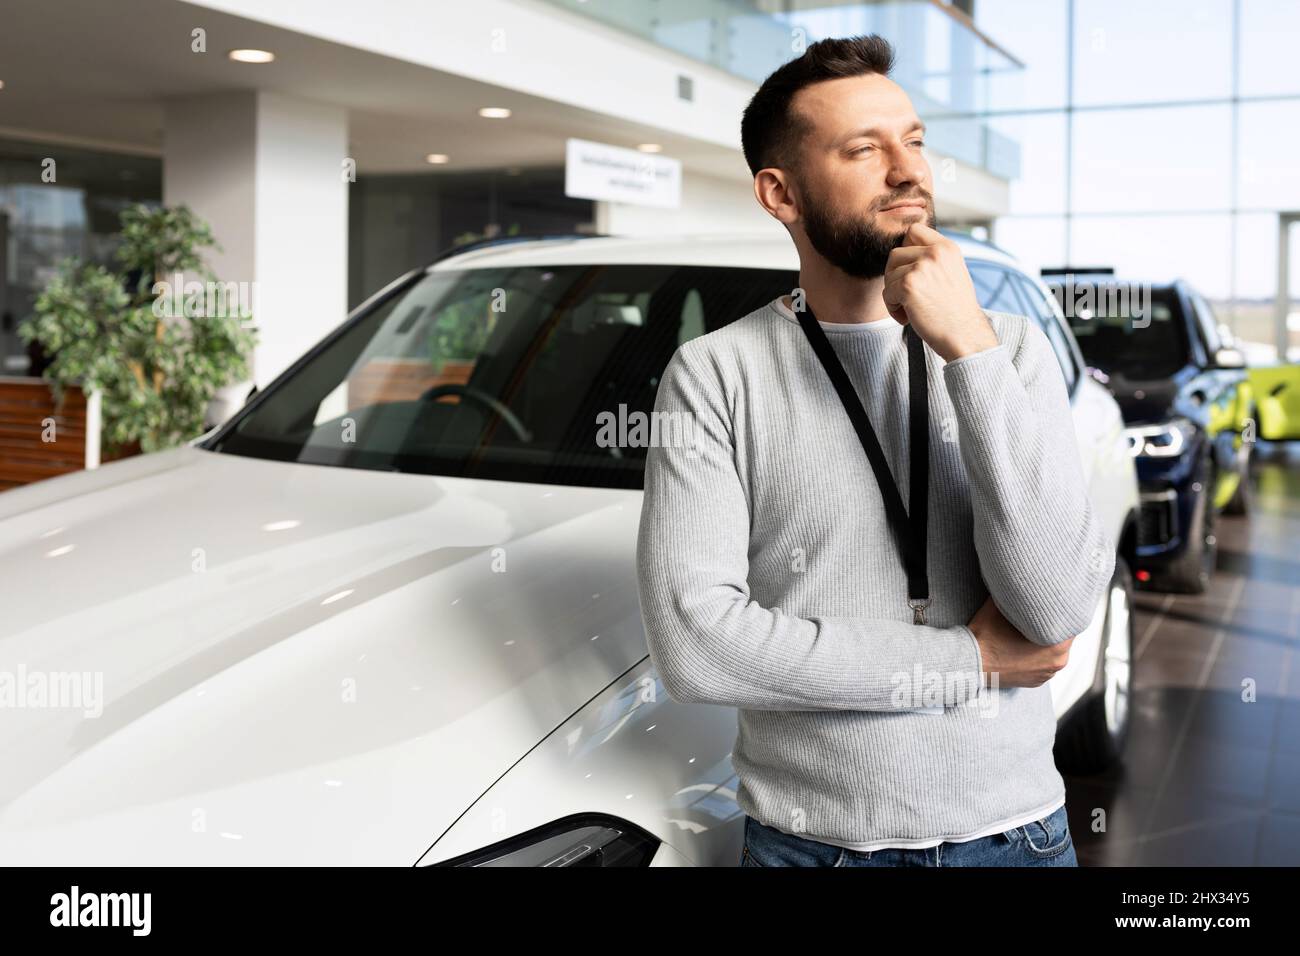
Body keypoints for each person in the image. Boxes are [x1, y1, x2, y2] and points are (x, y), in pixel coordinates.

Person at [634, 34, 1114, 867]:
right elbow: (700, 648)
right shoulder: (715, 375)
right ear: (780, 194)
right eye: (865, 148)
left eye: (915, 141)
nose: (908, 170)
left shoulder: (1009, 351)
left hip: (1016, 840)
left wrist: (967, 347)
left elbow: (1054, 613)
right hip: (811, 847)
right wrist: (970, 660)